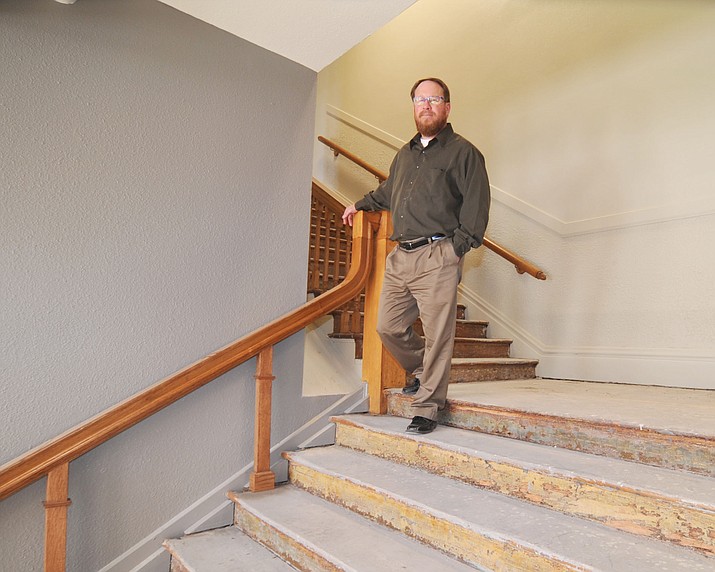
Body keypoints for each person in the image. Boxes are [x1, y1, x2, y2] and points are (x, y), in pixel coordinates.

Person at [342, 77, 490, 435]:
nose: (426, 105)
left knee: (439, 334)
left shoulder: (463, 153)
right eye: (420, 100)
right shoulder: (405, 154)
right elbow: (388, 192)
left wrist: (457, 247)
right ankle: (424, 370)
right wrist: (359, 204)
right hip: (400, 256)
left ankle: (427, 406)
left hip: (438, 253)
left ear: (447, 107)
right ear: (413, 107)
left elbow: (477, 205)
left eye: (434, 99)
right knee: (387, 326)